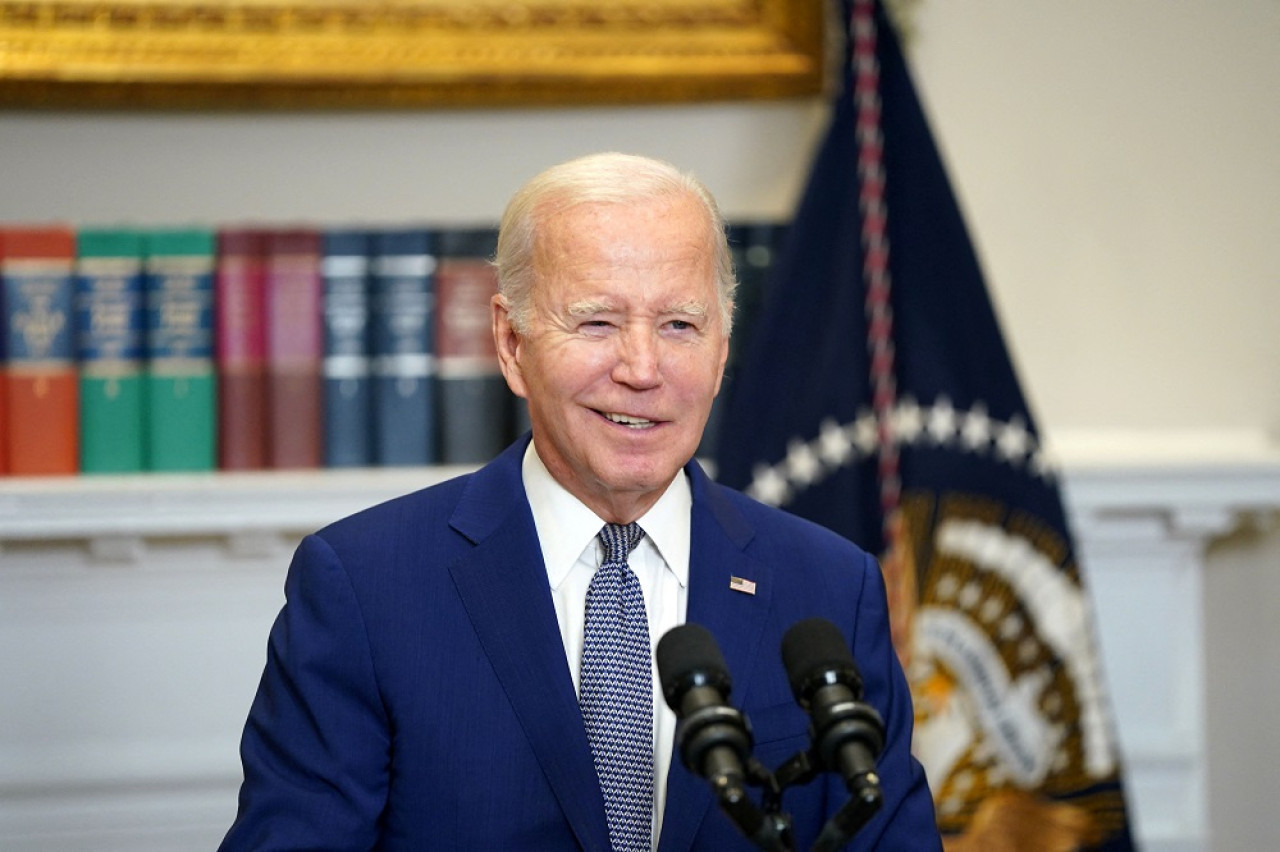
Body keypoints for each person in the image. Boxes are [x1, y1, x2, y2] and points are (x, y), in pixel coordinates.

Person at [220, 152, 940, 850]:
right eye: (597, 322)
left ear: (721, 352)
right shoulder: (365, 588)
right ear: (510, 341)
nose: (641, 368)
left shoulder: (831, 587)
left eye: (679, 325)